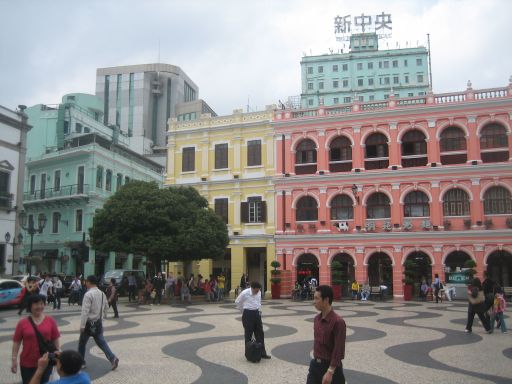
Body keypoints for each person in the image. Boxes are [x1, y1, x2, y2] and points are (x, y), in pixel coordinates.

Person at [12, 294, 61, 384]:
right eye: (36, 304)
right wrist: (14, 359)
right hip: (27, 363)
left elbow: (55, 339)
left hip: (46, 362)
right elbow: (17, 341)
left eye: (42, 304)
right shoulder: (22, 323)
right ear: (30, 306)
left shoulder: (50, 320)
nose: (39, 306)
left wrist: (58, 355)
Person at [307, 285, 346, 384]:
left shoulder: (338, 322)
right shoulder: (317, 319)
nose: (314, 301)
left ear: (326, 300)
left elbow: (338, 350)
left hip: (331, 369)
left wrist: (330, 371)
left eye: (316, 298)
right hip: (315, 366)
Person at [78, 275, 119, 370]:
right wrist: (103, 317)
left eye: (86, 281)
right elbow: (106, 306)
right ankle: (112, 358)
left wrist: (82, 325)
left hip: (88, 323)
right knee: (101, 342)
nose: (85, 283)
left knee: (82, 343)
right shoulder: (101, 293)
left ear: (89, 282)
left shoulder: (88, 294)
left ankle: (81, 362)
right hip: (98, 322)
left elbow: (85, 311)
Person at [235, 281, 271, 359]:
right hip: (248, 314)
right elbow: (237, 302)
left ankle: (262, 353)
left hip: (257, 313)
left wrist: (259, 310)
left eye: (258, 290)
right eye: (256, 290)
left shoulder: (259, 292)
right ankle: (249, 354)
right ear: (252, 288)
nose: (257, 292)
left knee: (260, 334)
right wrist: (243, 311)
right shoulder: (245, 293)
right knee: (248, 335)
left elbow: (259, 302)